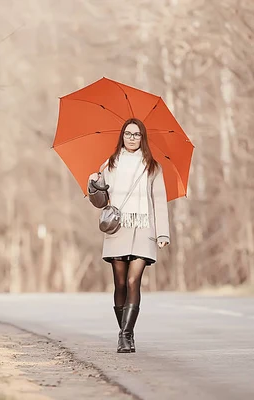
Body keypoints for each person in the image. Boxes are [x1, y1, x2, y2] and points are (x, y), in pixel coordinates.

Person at [88, 118, 170, 353]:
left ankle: (124, 336)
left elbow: (160, 202)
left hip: (144, 228)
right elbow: (100, 202)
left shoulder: (153, 167)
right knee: (120, 283)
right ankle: (128, 332)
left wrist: (163, 233)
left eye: (136, 134)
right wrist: (94, 184)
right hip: (118, 228)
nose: (132, 138)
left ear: (142, 138)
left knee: (134, 281)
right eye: (128, 133)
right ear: (122, 136)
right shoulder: (110, 164)